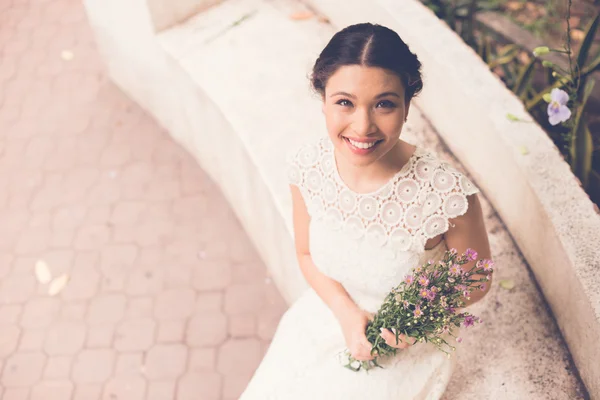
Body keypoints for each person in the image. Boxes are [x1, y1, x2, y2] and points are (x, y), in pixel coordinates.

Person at [240, 22, 492, 399]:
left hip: (403, 348)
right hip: (325, 318)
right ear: (323, 99)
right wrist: (344, 313)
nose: (363, 127)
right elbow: (306, 253)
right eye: (344, 102)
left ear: (407, 106)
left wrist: (415, 323)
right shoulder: (306, 166)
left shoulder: (446, 194)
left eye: (384, 104)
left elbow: (476, 279)